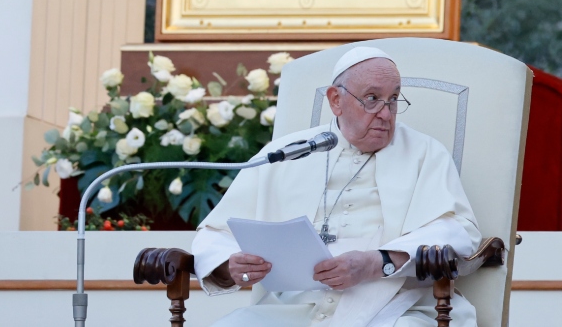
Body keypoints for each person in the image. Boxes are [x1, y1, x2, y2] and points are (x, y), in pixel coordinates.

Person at [192, 47, 480, 326]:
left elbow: (458, 230)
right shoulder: (286, 153)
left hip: (398, 305)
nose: (386, 113)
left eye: (392, 99)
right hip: (294, 308)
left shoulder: (425, 153)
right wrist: (230, 263)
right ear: (335, 100)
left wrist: (376, 262)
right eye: (372, 98)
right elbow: (216, 232)